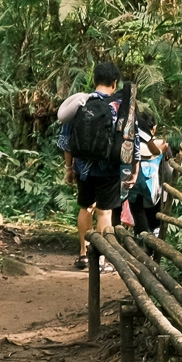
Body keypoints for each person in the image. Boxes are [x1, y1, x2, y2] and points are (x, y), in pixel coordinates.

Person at [56, 60, 127, 269]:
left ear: (94, 80)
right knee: (104, 212)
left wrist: (69, 168)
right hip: (109, 170)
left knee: (85, 208)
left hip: (83, 169)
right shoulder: (117, 108)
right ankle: (103, 259)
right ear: (115, 83)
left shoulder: (80, 104)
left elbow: (65, 141)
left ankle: (83, 254)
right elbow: (129, 141)